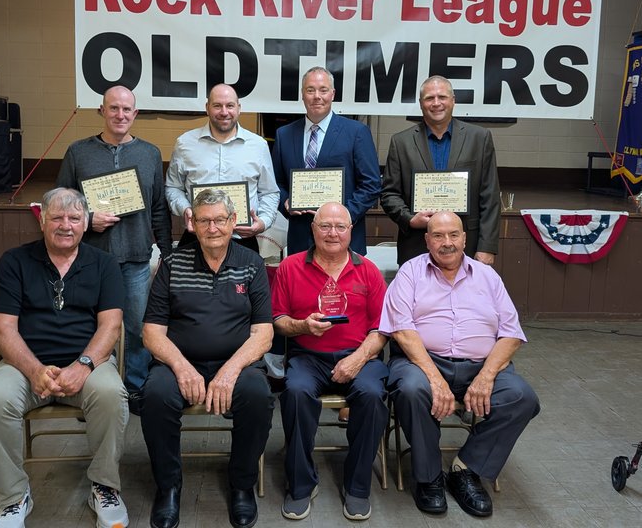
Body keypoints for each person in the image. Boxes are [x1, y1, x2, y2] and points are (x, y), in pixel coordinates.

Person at [0, 188, 129, 528]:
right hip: (23, 366)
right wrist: (34, 371)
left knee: (111, 394)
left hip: (88, 364)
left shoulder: (104, 264)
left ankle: (104, 487)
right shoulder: (14, 262)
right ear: (42, 220)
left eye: (74, 218)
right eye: (57, 217)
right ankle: (14, 497)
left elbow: (111, 326)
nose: (65, 225)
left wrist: (83, 366)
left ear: (85, 223)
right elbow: (2, 329)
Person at [380, 211, 540, 518]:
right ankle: (428, 477)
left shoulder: (487, 276)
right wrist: (435, 378)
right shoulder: (410, 273)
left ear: (464, 239)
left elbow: (511, 334)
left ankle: (466, 468)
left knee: (521, 397)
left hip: (480, 364)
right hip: (421, 361)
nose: (447, 242)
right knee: (412, 390)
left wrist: (487, 376)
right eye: (438, 236)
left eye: (454, 235)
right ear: (427, 240)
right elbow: (401, 330)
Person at [141, 189, 274, 528]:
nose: (212, 228)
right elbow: (152, 333)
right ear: (193, 224)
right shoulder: (172, 265)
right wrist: (182, 367)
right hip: (180, 363)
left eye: (219, 220)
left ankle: (241, 484)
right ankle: (168, 487)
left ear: (233, 221)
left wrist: (230, 371)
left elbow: (263, 334)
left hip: (238, 363)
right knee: (155, 396)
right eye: (204, 221)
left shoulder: (252, 264)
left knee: (258, 396)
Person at [57, 85, 172, 412]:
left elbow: (159, 208)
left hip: (136, 259)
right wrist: (87, 219)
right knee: (88, 327)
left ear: (135, 114)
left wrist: (167, 252)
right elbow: (60, 203)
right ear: (102, 111)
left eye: (126, 109)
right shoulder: (78, 152)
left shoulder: (150, 154)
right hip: (89, 260)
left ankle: (135, 387)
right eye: (114, 108)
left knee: (137, 328)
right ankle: (87, 389)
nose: (120, 115)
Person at [272, 202, 388, 521]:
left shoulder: (368, 270)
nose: (332, 233)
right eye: (325, 226)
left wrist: (358, 359)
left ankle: (357, 486)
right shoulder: (290, 267)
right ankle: (300, 485)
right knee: (295, 393)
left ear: (351, 231)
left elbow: (382, 329)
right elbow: (278, 320)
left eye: (340, 227)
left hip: (360, 356)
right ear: (313, 230)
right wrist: (301, 326)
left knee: (372, 395)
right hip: (308, 357)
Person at [381, 75, 500, 266]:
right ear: (421, 103)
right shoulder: (401, 142)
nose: (436, 103)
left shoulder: (479, 138)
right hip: (416, 245)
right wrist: (410, 219)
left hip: (467, 245)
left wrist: (486, 247)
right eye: (429, 98)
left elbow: (490, 196)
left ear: (453, 100)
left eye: (442, 97)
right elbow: (389, 194)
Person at [272, 67, 381, 255]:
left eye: (323, 90)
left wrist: (342, 217)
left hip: (343, 240)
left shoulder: (356, 132)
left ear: (333, 94)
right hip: (300, 241)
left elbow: (371, 184)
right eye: (310, 90)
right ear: (302, 94)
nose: (317, 96)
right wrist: (286, 202)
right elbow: (275, 183)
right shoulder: (284, 135)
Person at [166, 83, 279, 252]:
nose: (224, 112)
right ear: (207, 108)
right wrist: (185, 209)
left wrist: (263, 222)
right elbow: (173, 187)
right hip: (197, 238)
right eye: (217, 106)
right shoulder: (185, 144)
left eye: (230, 106)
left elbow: (270, 192)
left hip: (242, 239)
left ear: (239, 108)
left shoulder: (258, 145)